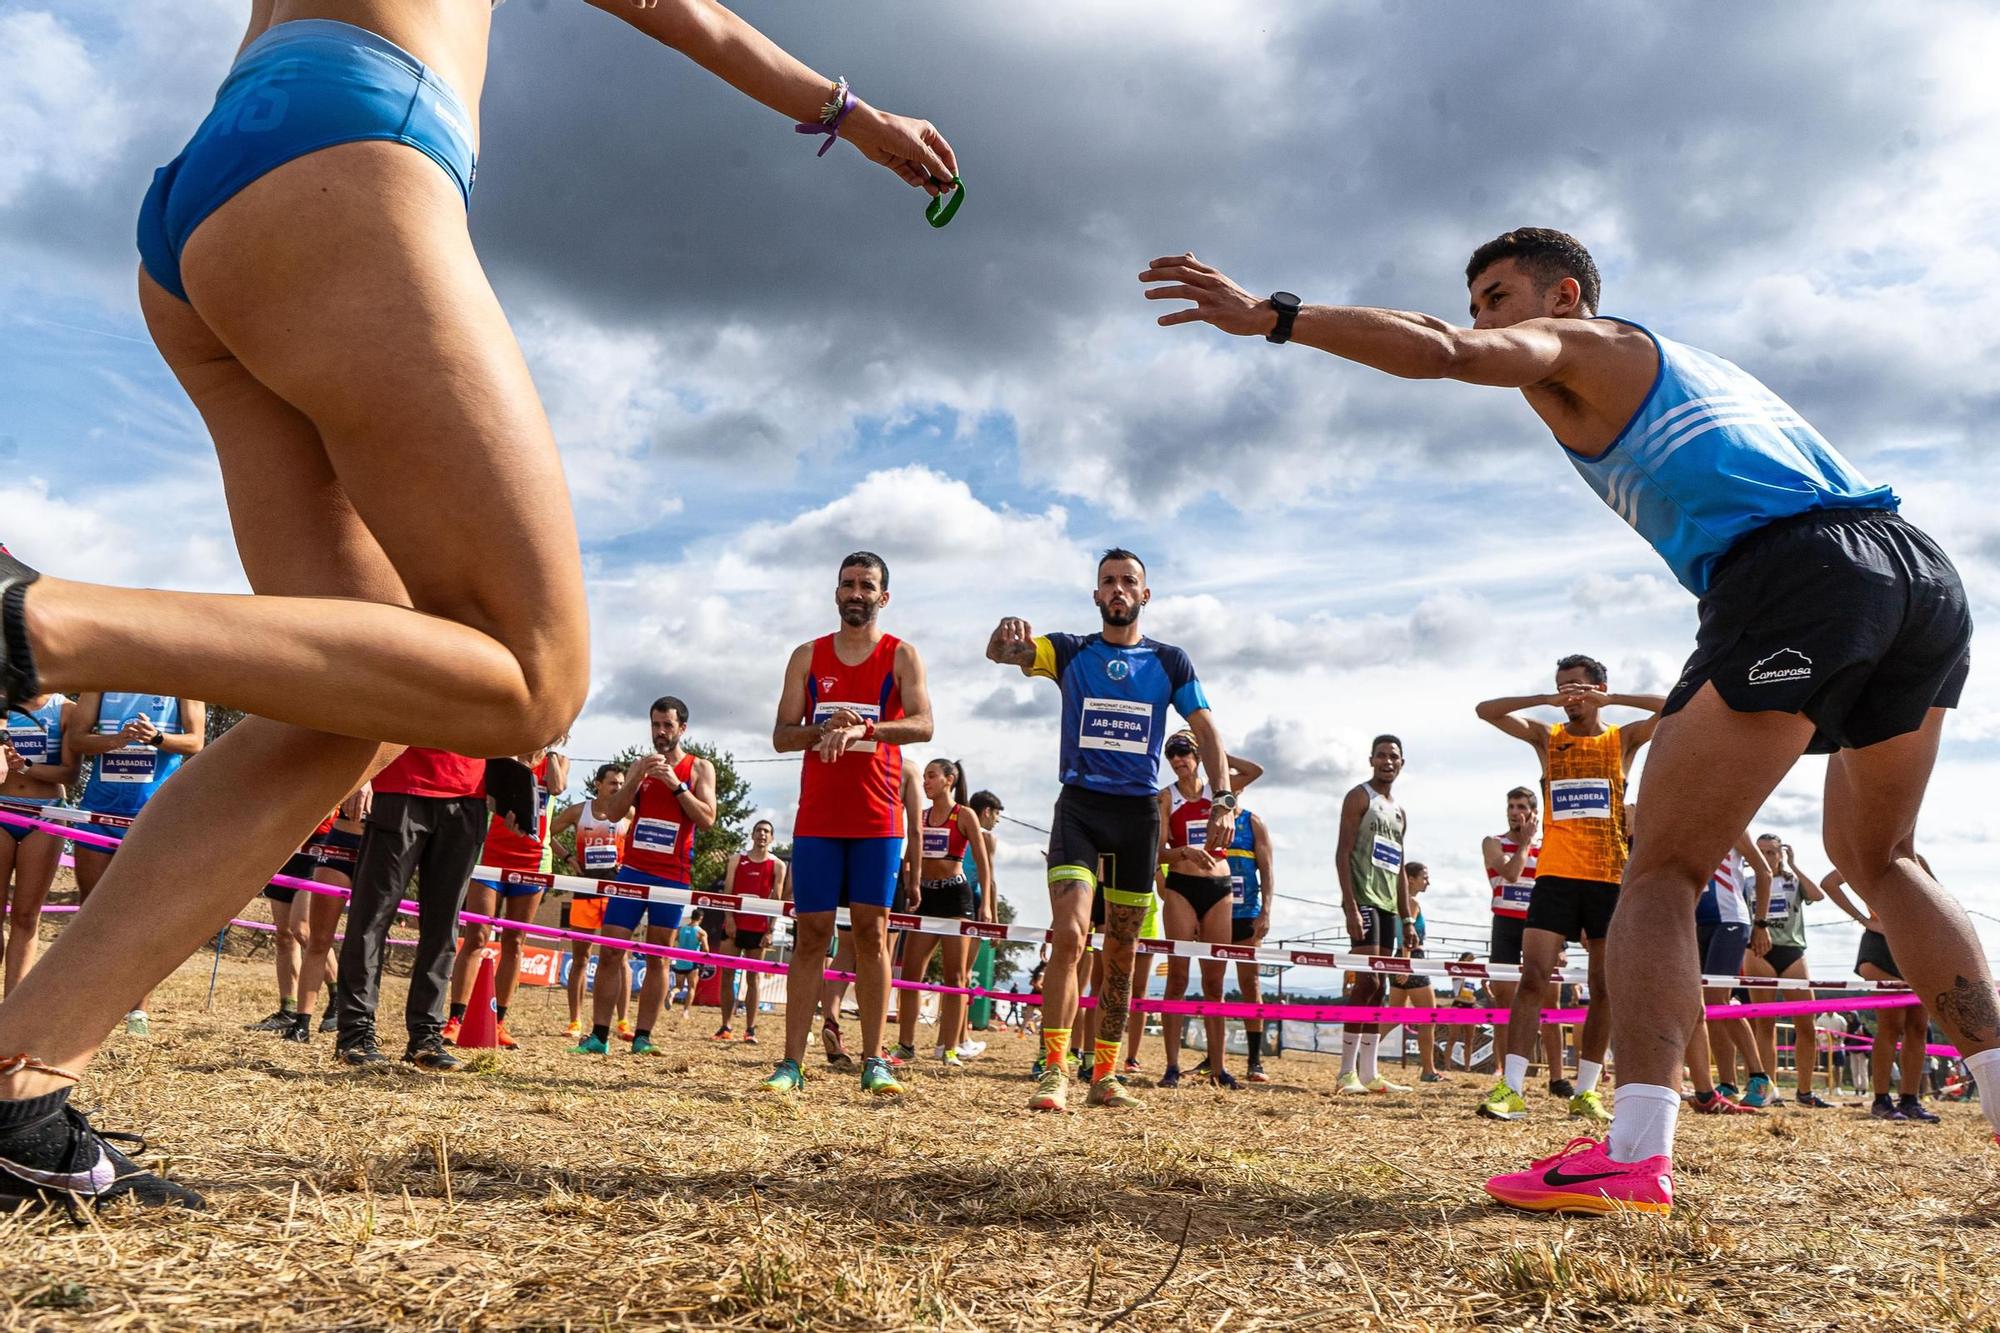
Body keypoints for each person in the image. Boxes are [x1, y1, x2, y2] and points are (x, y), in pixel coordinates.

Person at [0, 0, 960, 1213]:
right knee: (529, 677)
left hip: (200, 202)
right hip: (352, 138)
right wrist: (853, 116)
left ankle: (22, 1082)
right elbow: (683, 17)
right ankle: (37, 625)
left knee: (349, 698)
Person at [1141, 227, 1997, 1210]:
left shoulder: (1585, 344)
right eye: (1474, 304)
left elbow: (1440, 352)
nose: (1482, 324)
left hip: (1798, 573)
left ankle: (1632, 1151)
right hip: (1915, 571)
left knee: (1660, 872)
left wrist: (1274, 316)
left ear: (1563, 295)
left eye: (1496, 298)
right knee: (1880, 855)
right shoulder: (1680, 367)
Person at [987, 548, 1234, 1114]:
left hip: (1137, 816)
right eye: (1108, 582)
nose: (1118, 590)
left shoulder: (1170, 661)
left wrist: (1223, 798)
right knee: (1071, 937)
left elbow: (1207, 728)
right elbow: (1001, 653)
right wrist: (1004, 635)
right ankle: (1053, 1070)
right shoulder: (1071, 650)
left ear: (1145, 595)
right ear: (1096, 595)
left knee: (1121, 951)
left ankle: (1105, 1073)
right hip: (1079, 807)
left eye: (1129, 582)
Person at [762, 553, 934, 1097]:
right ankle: (791, 1063)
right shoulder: (806, 656)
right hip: (818, 816)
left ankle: (873, 1059)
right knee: (810, 935)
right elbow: (781, 735)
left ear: (883, 597)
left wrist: (864, 729)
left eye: (867, 586)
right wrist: (822, 729)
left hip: (877, 817)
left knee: (871, 935)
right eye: (848, 584)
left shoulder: (900, 655)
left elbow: (924, 725)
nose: (856, 593)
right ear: (836, 594)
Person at [1467, 659, 1661, 1126]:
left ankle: (1587, 1091)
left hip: (1607, 877)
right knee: (1532, 979)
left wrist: (1612, 701)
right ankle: (1511, 1088)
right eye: (1562, 687)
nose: (1570, 694)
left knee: (1603, 988)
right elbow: (1484, 710)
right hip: (1554, 874)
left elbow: (1674, 705)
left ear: (1599, 688)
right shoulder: (1548, 736)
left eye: (1578, 686)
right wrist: (1544, 701)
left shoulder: (1622, 738)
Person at [335, 747, 496, 1072]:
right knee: (372, 919)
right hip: (401, 787)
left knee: (444, 927)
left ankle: (426, 1037)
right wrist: (362, 775)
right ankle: (355, 1034)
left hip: (468, 793)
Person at [573, 698, 717, 1058]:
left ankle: (643, 1037)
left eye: (667, 726)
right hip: (634, 871)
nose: (660, 733)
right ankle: (599, 1035)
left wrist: (676, 785)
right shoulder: (641, 766)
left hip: (673, 877)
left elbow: (707, 818)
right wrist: (636, 775)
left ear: (682, 728)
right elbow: (612, 812)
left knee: (658, 958)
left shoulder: (699, 768)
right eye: (655, 725)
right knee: (610, 952)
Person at [66, 693, 208, 1037]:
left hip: (151, 812)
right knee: (92, 909)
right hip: (99, 809)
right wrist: (115, 740)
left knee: (141, 914)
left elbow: (196, 742)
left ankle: (137, 1011)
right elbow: (76, 738)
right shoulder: (100, 682)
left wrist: (156, 738)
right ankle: (90, 1000)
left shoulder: (181, 684)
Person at [1156, 732, 1262, 1089]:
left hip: (1219, 887)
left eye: (1184, 752)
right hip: (1182, 887)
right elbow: (1157, 853)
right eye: (1171, 754)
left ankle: (1218, 1067)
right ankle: (1171, 1065)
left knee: (1215, 982)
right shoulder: (1165, 798)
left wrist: (1217, 755)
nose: (1177, 759)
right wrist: (1184, 852)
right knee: (1178, 978)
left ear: (1197, 755)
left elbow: (1255, 770)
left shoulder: (1221, 791)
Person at [445, 746, 568, 1049]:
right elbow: (487, 797)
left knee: (515, 941)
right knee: (476, 936)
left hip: (534, 860)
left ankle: (497, 1021)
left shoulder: (558, 759)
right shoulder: (505, 753)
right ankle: (455, 1020)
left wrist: (550, 752)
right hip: (492, 855)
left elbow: (558, 787)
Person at [890, 759, 994, 1069]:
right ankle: (906, 1045)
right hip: (925, 897)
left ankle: (949, 1048)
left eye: (932, 776)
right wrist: (910, 886)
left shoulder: (964, 815)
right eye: (923, 777)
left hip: (955, 898)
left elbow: (984, 863)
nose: (925, 782)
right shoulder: (920, 817)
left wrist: (986, 903)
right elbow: (908, 859)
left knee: (955, 976)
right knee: (910, 974)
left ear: (950, 780)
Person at [1821, 869, 1942, 1123]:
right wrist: (1864, 919)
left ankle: (1910, 1100)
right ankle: (1881, 1099)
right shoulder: (1870, 857)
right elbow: (1829, 883)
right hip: (1882, 950)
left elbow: (1938, 898)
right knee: (1891, 1026)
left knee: (1919, 1027)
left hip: (1917, 947)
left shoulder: (1916, 860)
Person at [1334, 735, 1413, 1096]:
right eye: (1381, 755)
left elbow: (1398, 869)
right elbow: (1343, 852)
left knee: (1379, 986)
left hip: (1387, 905)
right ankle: (1345, 1072)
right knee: (1366, 982)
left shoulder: (1399, 812)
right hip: (1362, 898)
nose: (1387, 761)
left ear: (1401, 763)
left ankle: (1370, 1073)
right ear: (1371, 760)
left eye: (1393, 756)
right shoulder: (1359, 796)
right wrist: (1349, 905)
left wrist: (1407, 918)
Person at [1480, 788, 1565, 1093]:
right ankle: (1506, 1076)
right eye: (1511, 806)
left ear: (1533, 813)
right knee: (1505, 1000)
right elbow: (1512, 873)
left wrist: (1563, 943)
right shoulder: (1493, 842)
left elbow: (1557, 896)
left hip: (1541, 925)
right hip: (1505, 924)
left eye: (1521, 807)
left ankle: (1557, 1078)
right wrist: (1527, 842)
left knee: (1550, 1002)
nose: (1514, 812)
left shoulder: (1549, 848)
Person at [1740, 835, 1833, 1107]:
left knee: (1806, 1023)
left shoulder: (1793, 880)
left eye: (1772, 852)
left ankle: (1805, 1092)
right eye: (1762, 852)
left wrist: (1796, 865)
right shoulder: (1747, 881)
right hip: (1758, 951)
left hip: (1792, 951)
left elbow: (1817, 895)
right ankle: (1768, 1089)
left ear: (1781, 854)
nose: (1768, 857)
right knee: (1764, 1024)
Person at [1693, 833, 1776, 1109]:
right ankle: (1727, 1084)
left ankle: (1760, 1079)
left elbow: (1763, 871)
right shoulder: (1688, 822)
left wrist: (1761, 923)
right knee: (1709, 1007)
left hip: (1730, 919)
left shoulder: (1734, 824)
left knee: (1718, 999)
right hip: (1698, 921)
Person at [551, 763, 632, 1040]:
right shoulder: (579, 811)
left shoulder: (629, 812)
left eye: (621, 784)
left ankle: (623, 1022)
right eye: (613, 783)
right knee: (581, 958)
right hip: (585, 888)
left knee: (620, 958)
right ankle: (575, 1022)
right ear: (598, 784)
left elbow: (643, 839)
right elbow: (547, 832)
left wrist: (629, 864)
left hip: (617, 891)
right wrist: (568, 858)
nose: (618, 788)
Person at [0, 693, 75, 993]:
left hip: (45, 813)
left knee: (26, 915)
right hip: (2, 808)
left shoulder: (67, 709)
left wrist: (26, 766)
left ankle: (11, 1014)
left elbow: (70, 773)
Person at [289, 787, 370, 1040]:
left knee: (365, 942)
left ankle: (358, 1024)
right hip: (341, 838)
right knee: (318, 939)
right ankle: (301, 1024)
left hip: (380, 842)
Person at [714, 819, 788, 1044]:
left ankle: (750, 1029)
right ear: (753, 834)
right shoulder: (737, 860)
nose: (762, 835)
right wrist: (729, 919)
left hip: (759, 929)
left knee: (753, 978)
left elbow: (777, 899)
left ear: (772, 838)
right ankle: (726, 1025)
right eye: (759, 831)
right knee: (726, 975)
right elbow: (728, 891)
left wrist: (771, 930)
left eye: (766, 832)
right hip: (734, 926)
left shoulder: (777, 865)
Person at [1223, 802, 1276, 1082]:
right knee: (1211, 984)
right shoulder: (1207, 817)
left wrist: (1266, 912)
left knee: (1250, 984)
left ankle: (1255, 1060)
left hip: (1247, 914)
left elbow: (1267, 872)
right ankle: (1214, 1058)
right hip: (1214, 912)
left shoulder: (1252, 821)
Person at [1385, 862, 1446, 1082]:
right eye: (1425, 877)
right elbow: (1406, 937)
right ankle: (1428, 1071)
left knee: (1393, 1016)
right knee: (1428, 1017)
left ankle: (1363, 1052)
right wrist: (1406, 963)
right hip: (1411, 960)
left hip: (1399, 959)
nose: (1428, 882)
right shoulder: (1411, 903)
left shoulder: (1398, 903)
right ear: (1410, 879)